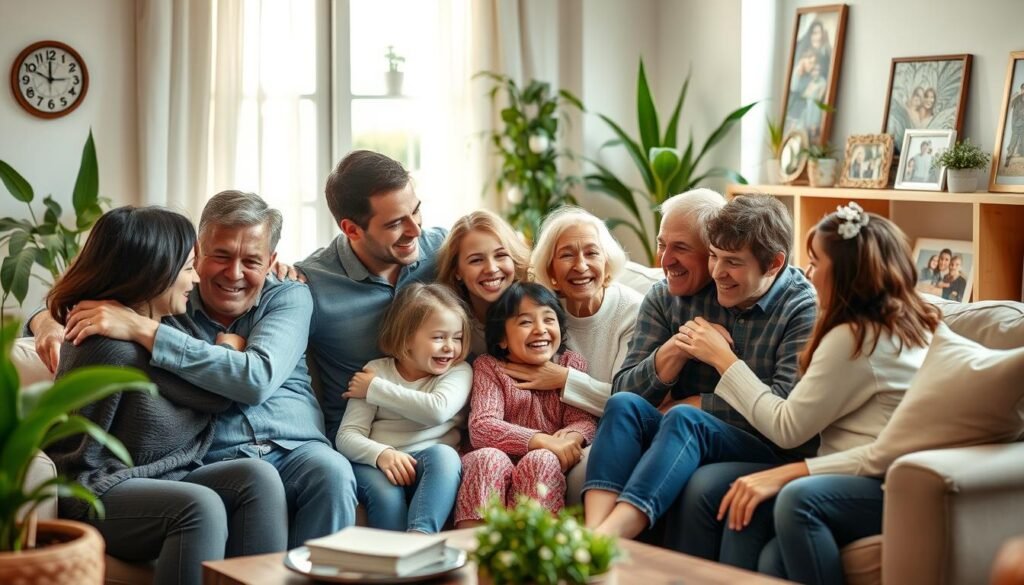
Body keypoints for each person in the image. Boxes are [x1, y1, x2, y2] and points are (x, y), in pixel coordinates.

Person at [51, 191, 358, 548]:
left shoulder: (287, 295)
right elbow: (100, 301)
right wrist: (44, 321)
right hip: (213, 457)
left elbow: (253, 378)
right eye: (221, 256)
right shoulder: (169, 301)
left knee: (333, 473)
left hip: (295, 447)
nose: (235, 273)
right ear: (197, 253)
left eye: (252, 261)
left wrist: (148, 332)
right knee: (236, 487)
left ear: (271, 259)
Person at [675, 203, 940, 584]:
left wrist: (724, 360)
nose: (807, 273)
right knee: (759, 538)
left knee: (772, 503)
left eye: (816, 263)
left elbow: (787, 428)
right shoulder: (903, 320)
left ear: (846, 273)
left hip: (872, 478)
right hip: (858, 471)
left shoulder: (856, 336)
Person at [44, 206, 287, 585]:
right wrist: (227, 354)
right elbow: (73, 453)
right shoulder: (103, 343)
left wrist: (227, 353)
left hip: (166, 479)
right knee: (199, 507)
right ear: (154, 272)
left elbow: (217, 395)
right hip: (95, 491)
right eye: (189, 267)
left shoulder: (171, 323)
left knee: (258, 477)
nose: (195, 280)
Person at [582, 192, 818, 540]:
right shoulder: (673, 295)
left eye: (681, 247)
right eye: (713, 257)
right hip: (690, 434)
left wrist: (693, 403)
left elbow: (786, 411)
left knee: (684, 418)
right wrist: (679, 348)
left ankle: (607, 540)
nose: (665, 260)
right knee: (623, 406)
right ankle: (591, 534)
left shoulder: (799, 306)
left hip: (766, 446)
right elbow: (624, 390)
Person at [297, 150, 447, 440]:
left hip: (440, 433)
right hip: (363, 441)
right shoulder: (311, 284)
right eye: (395, 224)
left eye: (415, 211)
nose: (415, 230)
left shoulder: (443, 249)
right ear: (351, 229)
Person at [524, 206, 643, 503]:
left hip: (614, 435)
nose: (581, 266)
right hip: (555, 437)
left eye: (591, 253)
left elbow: (626, 402)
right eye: (567, 255)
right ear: (551, 270)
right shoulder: (542, 314)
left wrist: (563, 379)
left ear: (606, 261)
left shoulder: (633, 311)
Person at [455, 282, 598, 527]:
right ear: (501, 338)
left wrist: (572, 438)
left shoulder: (570, 365)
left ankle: (535, 548)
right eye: (525, 322)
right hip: (491, 464)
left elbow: (583, 420)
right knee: (489, 458)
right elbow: (482, 427)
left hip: (545, 462)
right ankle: (474, 547)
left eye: (548, 320)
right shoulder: (489, 367)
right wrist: (542, 439)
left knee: (542, 459)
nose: (540, 329)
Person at [335, 283, 471, 533]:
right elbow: (346, 436)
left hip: (429, 464)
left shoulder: (458, 371)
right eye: (439, 337)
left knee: (446, 457)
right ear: (407, 338)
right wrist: (383, 454)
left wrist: (375, 390)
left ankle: (419, 539)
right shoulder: (376, 371)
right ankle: (392, 557)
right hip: (377, 465)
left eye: (457, 338)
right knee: (385, 494)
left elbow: (436, 411)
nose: (450, 347)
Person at [436, 210, 531, 357]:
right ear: (456, 271)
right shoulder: (448, 327)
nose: (492, 269)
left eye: (500, 255)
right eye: (476, 260)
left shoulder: (542, 309)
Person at [1006, 83, 1024, 165]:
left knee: (1022, 141)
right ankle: (1008, 157)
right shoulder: (1017, 98)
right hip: (1016, 123)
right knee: (1014, 140)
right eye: (1023, 89)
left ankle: (1020, 154)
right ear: (1021, 89)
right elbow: (1008, 105)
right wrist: (1017, 95)